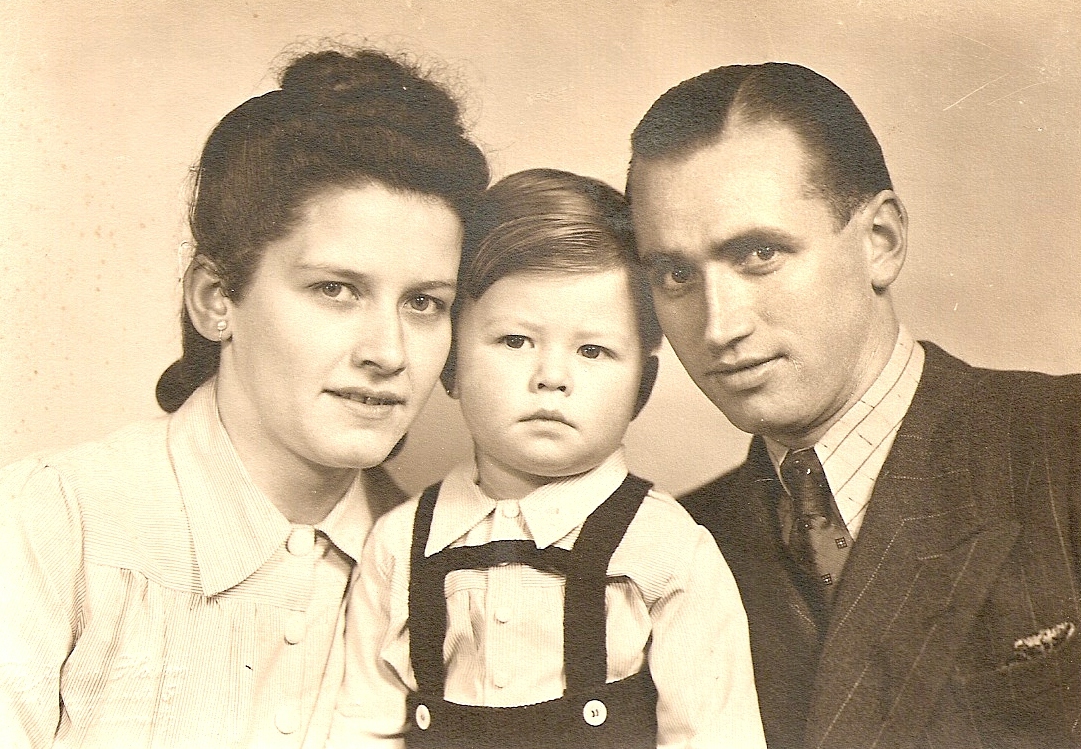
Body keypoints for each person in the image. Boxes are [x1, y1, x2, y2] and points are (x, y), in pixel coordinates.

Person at [0, 48, 489, 748]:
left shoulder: (444, 579)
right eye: (335, 289)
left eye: (423, 301)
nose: (387, 351)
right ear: (215, 299)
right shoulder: (51, 527)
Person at [626, 62, 1081, 749]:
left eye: (758, 252)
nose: (718, 325)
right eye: (677, 274)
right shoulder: (664, 547)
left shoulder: (1059, 442)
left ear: (881, 242)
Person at [330, 169, 766, 749]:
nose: (552, 378)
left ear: (643, 384)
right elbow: (360, 729)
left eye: (593, 350)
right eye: (515, 341)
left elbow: (714, 737)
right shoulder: (398, 545)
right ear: (453, 363)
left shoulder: (667, 550)